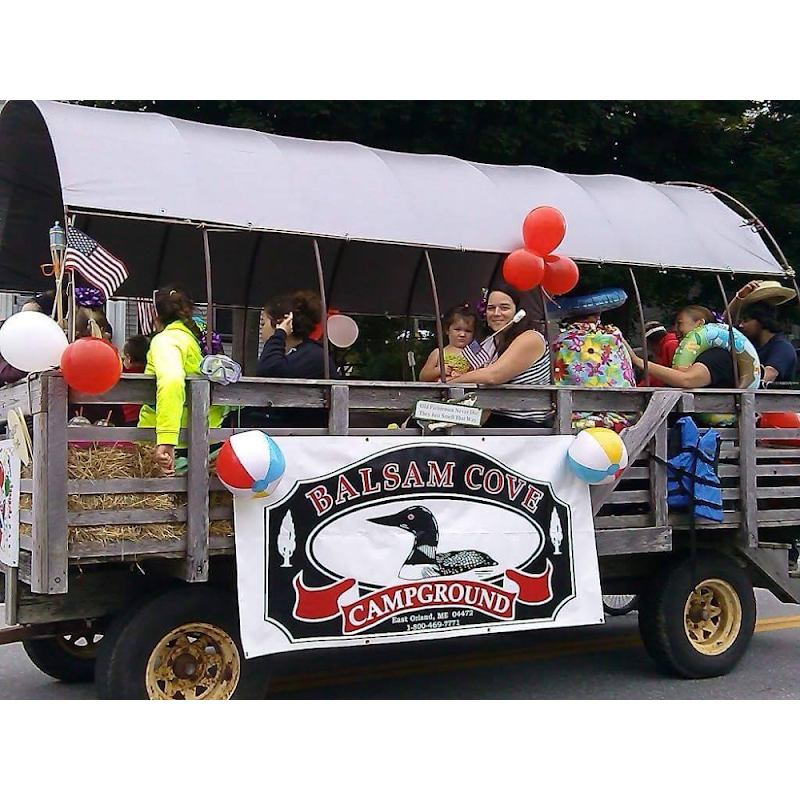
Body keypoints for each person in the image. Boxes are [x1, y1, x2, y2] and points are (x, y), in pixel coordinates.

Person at [138, 287, 229, 476]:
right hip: (205, 442)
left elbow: (171, 381)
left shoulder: (166, 341)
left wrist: (166, 440)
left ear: (156, 317)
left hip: (170, 450)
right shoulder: (199, 342)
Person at [449, 286, 552, 427]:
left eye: (504, 308)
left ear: (518, 311)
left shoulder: (531, 337)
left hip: (521, 421)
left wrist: (450, 383)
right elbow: (469, 368)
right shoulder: (491, 340)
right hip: (490, 412)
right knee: (423, 418)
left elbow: (494, 376)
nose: (496, 313)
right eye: (491, 308)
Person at [553, 307, 637, 432]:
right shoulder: (613, 337)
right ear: (598, 314)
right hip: (619, 416)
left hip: (572, 418)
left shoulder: (561, 341)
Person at [627, 305, 736, 390]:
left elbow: (686, 380)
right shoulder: (694, 355)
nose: (675, 329)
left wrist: (638, 361)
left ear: (700, 324)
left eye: (680, 323)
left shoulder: (717, 355)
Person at [258, 291, 338, 380]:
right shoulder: (299, 353)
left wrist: (280, 333)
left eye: (263, 323)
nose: (261, 329)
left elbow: (268, 371)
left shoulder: (312, 356)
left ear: (281, 323)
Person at [419, 306, 479, 383]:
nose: (462, 334)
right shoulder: (439, 353)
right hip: (441, 393)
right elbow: (423, 376)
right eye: (457, 329)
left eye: (468, 331)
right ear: (447, 330)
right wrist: (439, 370)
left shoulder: (475, 354)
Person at [638, 321, 681, 388]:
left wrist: (639, 388)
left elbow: (661, 376)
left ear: (651, 344)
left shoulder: (670, 346)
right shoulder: (674, 342)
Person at [121, 335, 150, 427]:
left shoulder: (122, 373)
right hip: (147, 417)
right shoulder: (150, 372)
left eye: (123, 358)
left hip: (127, 418)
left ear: (129, 358)